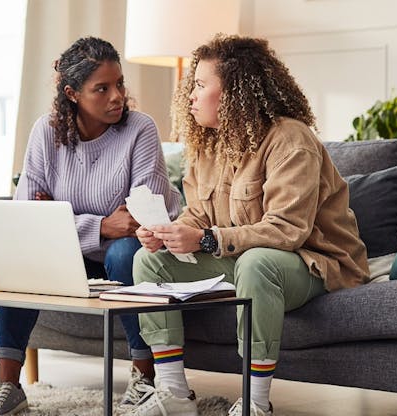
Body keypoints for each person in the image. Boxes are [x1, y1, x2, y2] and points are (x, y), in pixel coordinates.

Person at [126, 34, 369, 416]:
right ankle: (174, 394)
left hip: (314, 264)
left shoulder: (291, 140)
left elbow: (287, 231)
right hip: (243, 261)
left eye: (201, 85)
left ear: (235, 92)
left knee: (257, 262)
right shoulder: (207, 145)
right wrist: (168, 233)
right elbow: (198, 215)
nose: (190, 94)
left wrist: (205, 240)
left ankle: (255, 403)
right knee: (147, 260)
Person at [0, 36, 181, 416]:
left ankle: (144, 378)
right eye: (101, 89)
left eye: (119, 84)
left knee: (126, 253)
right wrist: (102, 225)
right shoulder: (47, 131)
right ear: (72, 93)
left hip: (135, 252)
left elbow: (141, 216)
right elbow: (28, 219)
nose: (117, 96)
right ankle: (7, 385)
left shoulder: (140, 128)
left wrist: (63, 216)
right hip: (70, 256)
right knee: (22, 257)